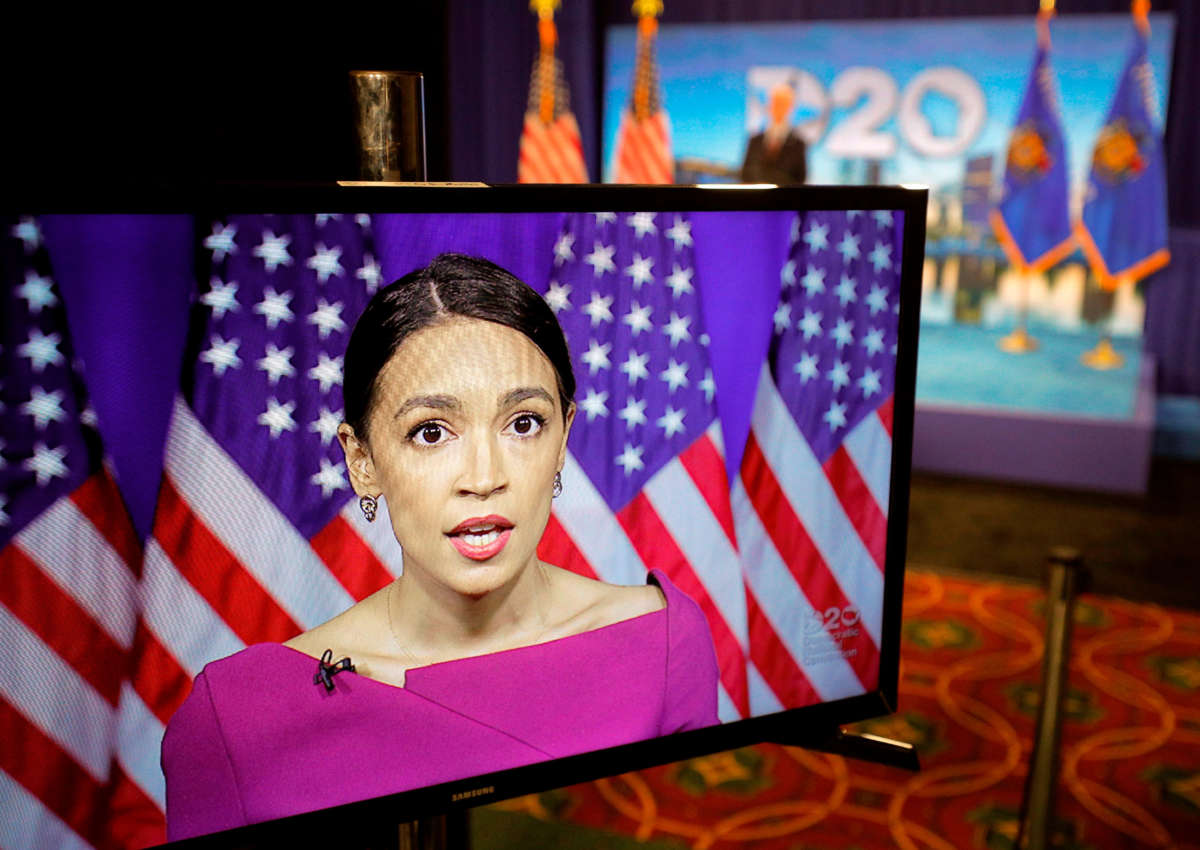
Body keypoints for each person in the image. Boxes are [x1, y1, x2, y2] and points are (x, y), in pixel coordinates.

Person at [161, 253, 720, 840]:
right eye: (431, 432)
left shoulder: (662, 642)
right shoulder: (238, 720)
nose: (483, 477)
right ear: (362, 461)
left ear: (563, 440)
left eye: (523, 423)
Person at [740, 82, 807, 185]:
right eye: (776, 102)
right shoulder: (754, 141)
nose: (778, 107)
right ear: (769, 105)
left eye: (783, 103)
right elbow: (745, 174)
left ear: (790, 107)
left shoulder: (798, 144)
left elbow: (800, 178)